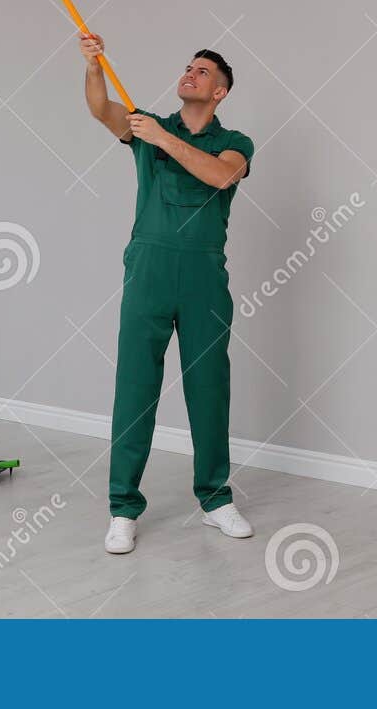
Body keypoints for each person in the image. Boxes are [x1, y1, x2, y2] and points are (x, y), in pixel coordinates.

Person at [79, 31, 256, 554]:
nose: (190, 73)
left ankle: (216, 499)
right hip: (149, 269)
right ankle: (123, 508)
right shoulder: (147, 127)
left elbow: (221, 178)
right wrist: (93, 66)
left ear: (220, 92)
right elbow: (101, 109)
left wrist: (162, 140)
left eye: (202, 72)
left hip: (204, 277)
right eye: (188, 67)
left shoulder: (234, 143)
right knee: (134, 389)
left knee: (208, 389)